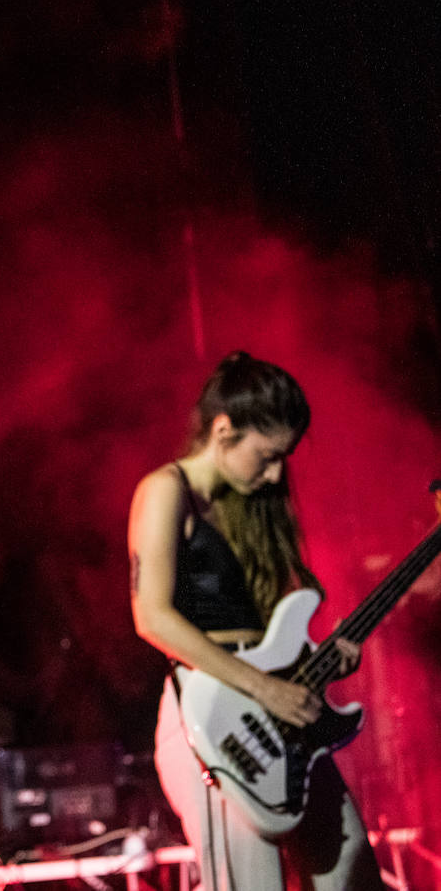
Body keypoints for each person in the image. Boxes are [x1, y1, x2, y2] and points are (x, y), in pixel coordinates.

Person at [128, 352, 384, 890]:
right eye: (266, 456)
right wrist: (264, 689)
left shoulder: (252, 507)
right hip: (211, 715)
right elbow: (151, 615)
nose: (274, 474)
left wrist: (314, 666)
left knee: (352, 870)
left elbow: (267, 636)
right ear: (223, 430)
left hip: (274, 717)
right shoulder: (165, 490)